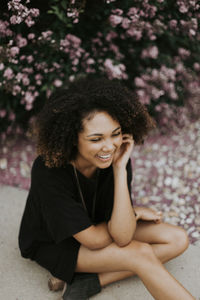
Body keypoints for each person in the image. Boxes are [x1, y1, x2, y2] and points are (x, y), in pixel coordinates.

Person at [18, 77, 195, 300]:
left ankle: (91, 281)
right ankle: (75, 274)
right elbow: (94, 240)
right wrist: (133, 212)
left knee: (177, 238)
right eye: (96, 139)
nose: (109, 146)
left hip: (98, 226)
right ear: (74, 139)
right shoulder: (49, 169)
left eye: (115, 134)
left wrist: (120, 169)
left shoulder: (115, 155)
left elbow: (121, 236)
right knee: (140, 254)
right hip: (56, 244)